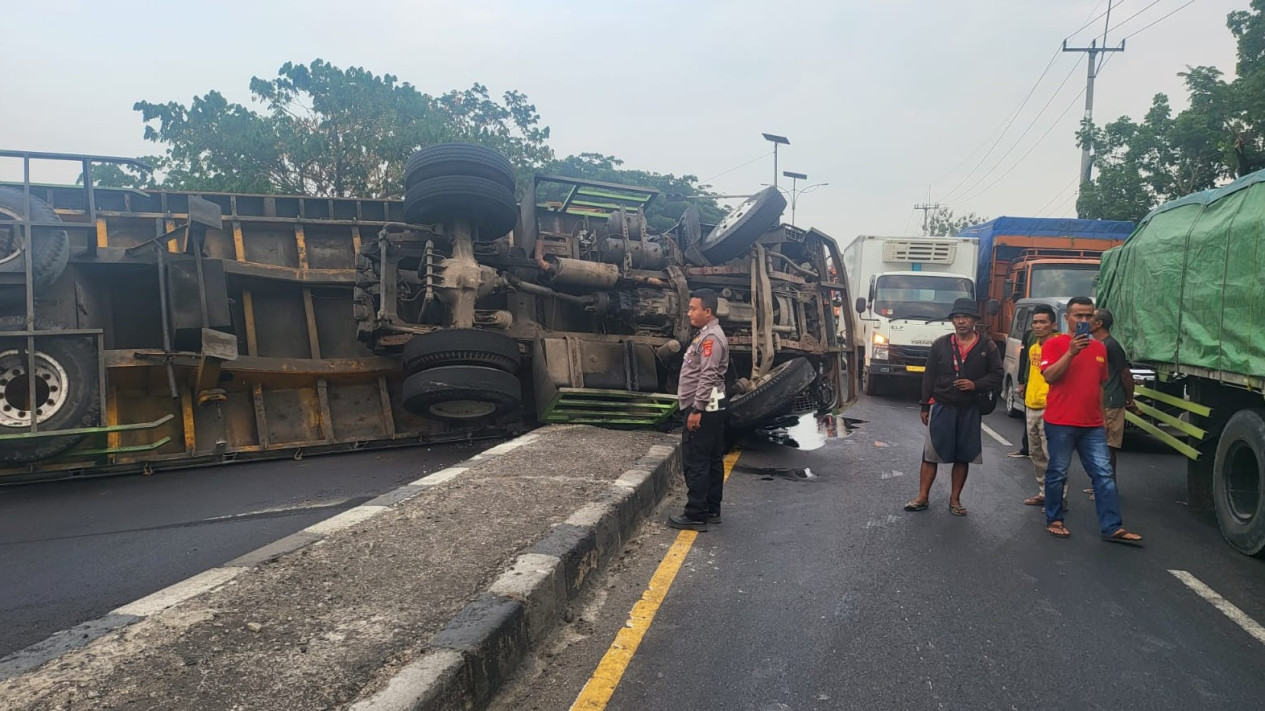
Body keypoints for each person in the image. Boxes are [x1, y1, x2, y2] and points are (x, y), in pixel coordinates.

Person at [1039, 296, 1142, 544]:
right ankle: (1054, 519)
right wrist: (1071, 352)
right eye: (1079, 316)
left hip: (1092, 425)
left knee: (1104, 474)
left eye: (1088, 316)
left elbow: (1100, 385)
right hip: (1060, 421)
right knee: (1058, 472)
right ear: (1067, 318)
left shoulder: (1099, 348)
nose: (1084, 320)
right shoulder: (1054, 344)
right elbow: (1050, 376)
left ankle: (1112, 527)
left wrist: (1103, 418)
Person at [904, 298, 1003, 517]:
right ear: (952, 321)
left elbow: (997, 374)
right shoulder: (941, 344)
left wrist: (975, 385)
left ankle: (955, 499)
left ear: (975, 320)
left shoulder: (987, 346)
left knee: (963, 455)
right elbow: (929, 376)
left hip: (970, 408)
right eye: (957, 317)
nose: (961, 321)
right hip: (942, 406)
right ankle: (922, 496)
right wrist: (924, 405)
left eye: (966, 317)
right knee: (931, 453)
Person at [668, 289, 729, 531]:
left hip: (703, 408)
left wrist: (696, 409)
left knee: (697, 460)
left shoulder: (711, 339)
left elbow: (708, 375)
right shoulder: (707, 335)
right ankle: (712, 509)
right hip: (712, 406)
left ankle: (695, 513)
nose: (689, 313)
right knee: (712, 459)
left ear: (708, 311)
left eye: (694, 309)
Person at [1017, 305, 1064, 507]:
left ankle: (1059, 498)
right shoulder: (1034, 347)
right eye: (1035, 322)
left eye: (1043, 322)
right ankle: (1045, 492)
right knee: (1035, 453)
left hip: (1051, 406)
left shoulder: (1060, 345)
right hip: (1031, 404)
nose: (1038, 326)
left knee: (1052, 455)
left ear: (1053, 325)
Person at [1092, 307, 1141, 479]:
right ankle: (1101, 483)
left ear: (1099, 323)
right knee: (1098, 445)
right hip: (1100, 402)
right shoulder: (1097, 344)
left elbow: (1125, 374)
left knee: (1108, 446)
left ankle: (1108, 484)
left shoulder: (1111, 345)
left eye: (1090, 317)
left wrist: (1129, 400)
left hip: (1111, 402)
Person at [1007, 325, 1034, 459]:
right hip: (1031, 383)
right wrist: (1021, 382)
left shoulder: (1058, 339)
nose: (1039, 326)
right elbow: (1023, 358)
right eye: (1036, 322)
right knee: (1029, 418)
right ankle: (1026, 448)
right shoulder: (1029, 335)